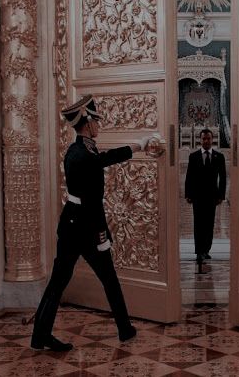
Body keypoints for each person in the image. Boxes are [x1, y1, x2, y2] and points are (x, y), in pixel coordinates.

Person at [31, 95, 150, 351]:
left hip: (74, 225)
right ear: (87, 121)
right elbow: (93, 198)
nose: (99, 125)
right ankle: (124, 329)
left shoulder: (84, 148)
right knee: (104, 278)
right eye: (96, 120)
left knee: (62, 282)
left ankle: (41, 335)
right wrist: (102, 235)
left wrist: (135, 147)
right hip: (83, 228)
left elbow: (101, 161)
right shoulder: (81, 154)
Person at [185, 128, 226, 263]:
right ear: (200, 140)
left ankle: (206, 249)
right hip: (197, 196)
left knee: (209, 224)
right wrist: (188, 194)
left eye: (208, 138)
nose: (206, 141)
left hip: (212, 197)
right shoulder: (193, 156)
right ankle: (199, 251)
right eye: (204, 138)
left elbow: (223, 178)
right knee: (198, 224)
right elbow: (189, 176)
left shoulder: (219, 157)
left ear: (212, 139)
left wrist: (221, 195)